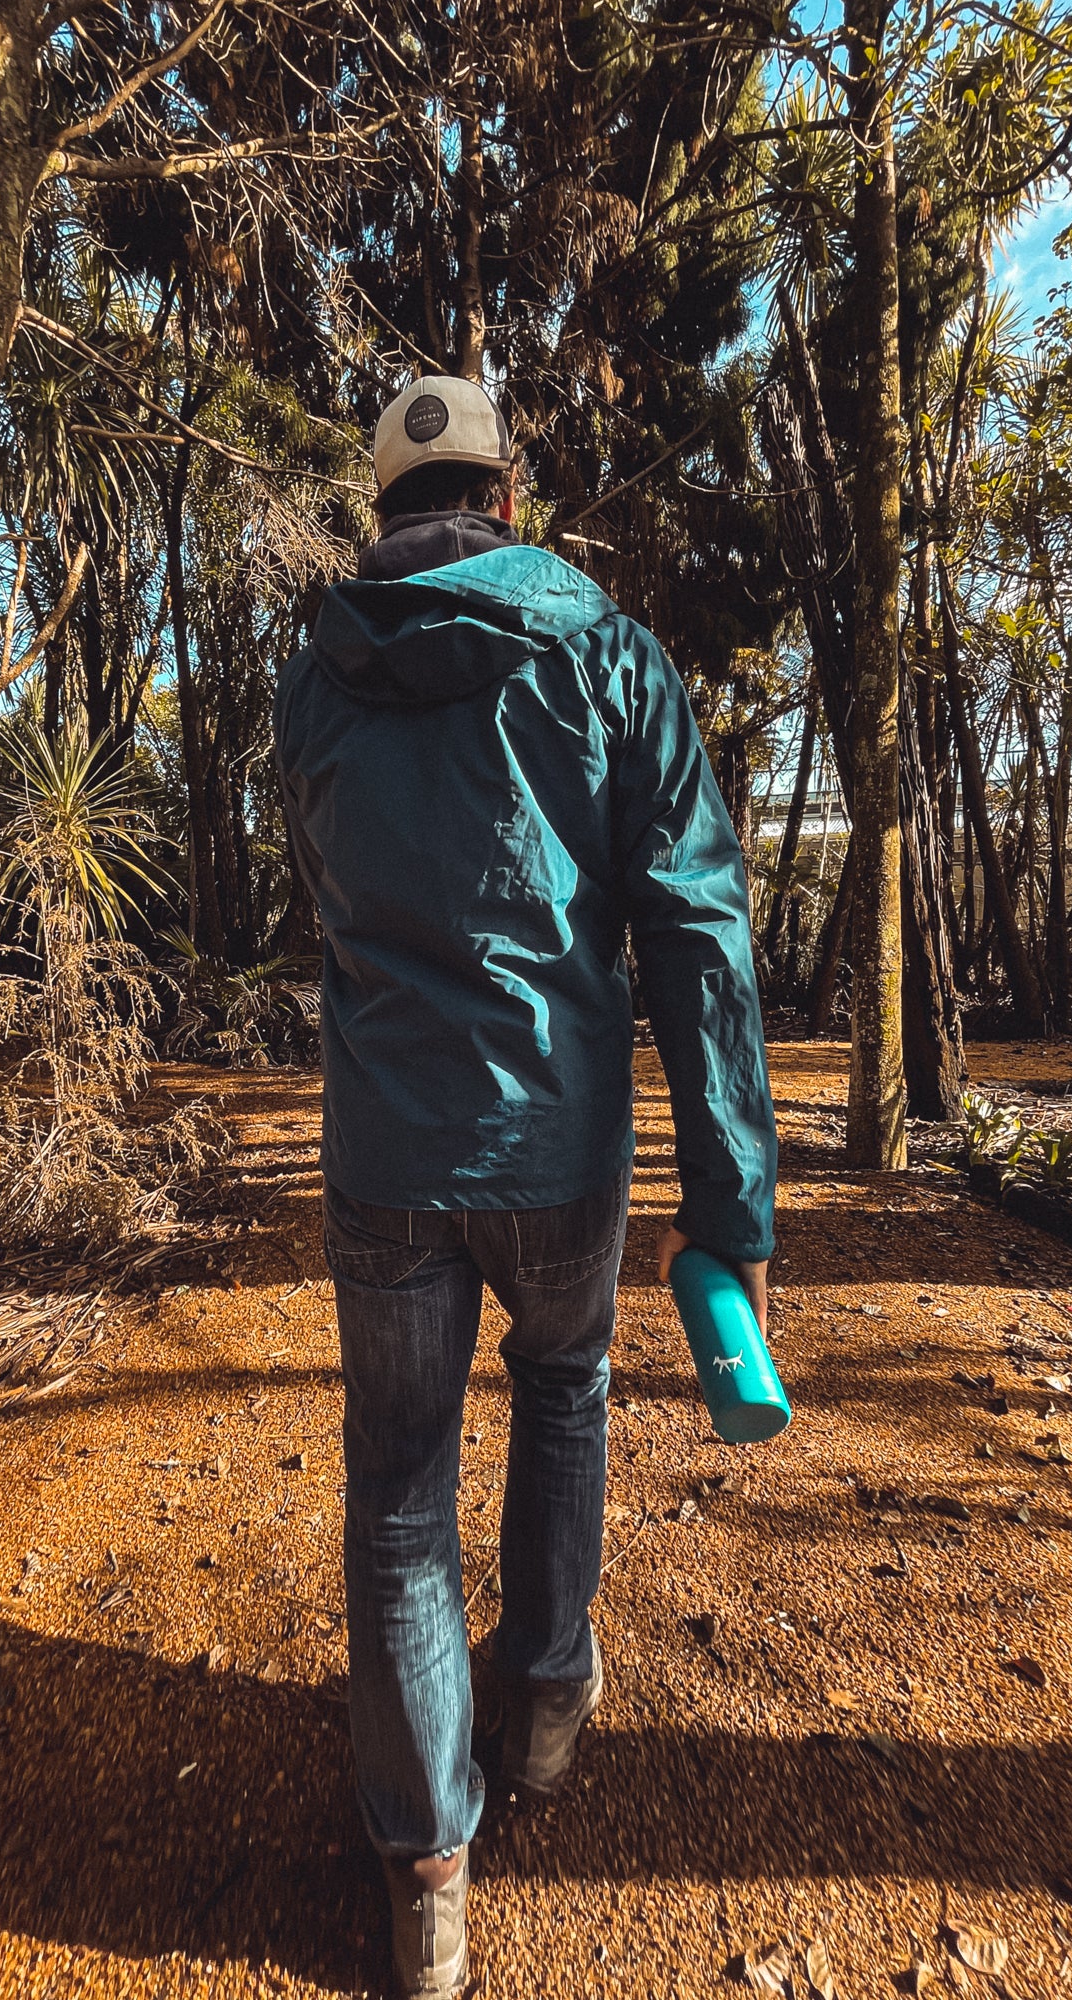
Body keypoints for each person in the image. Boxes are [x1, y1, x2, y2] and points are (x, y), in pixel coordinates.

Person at [273, 375, 776, 1998]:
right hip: (560, 1154)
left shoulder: (318, 676)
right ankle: (546, 1707)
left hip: (388, 1159)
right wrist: (732, 1211)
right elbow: (698, 926)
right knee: (566, 1391)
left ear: (385, 511)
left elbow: (325, 887)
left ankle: (429, 1877)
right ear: (506, 495)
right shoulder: (610, 654)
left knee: (402, 1499)